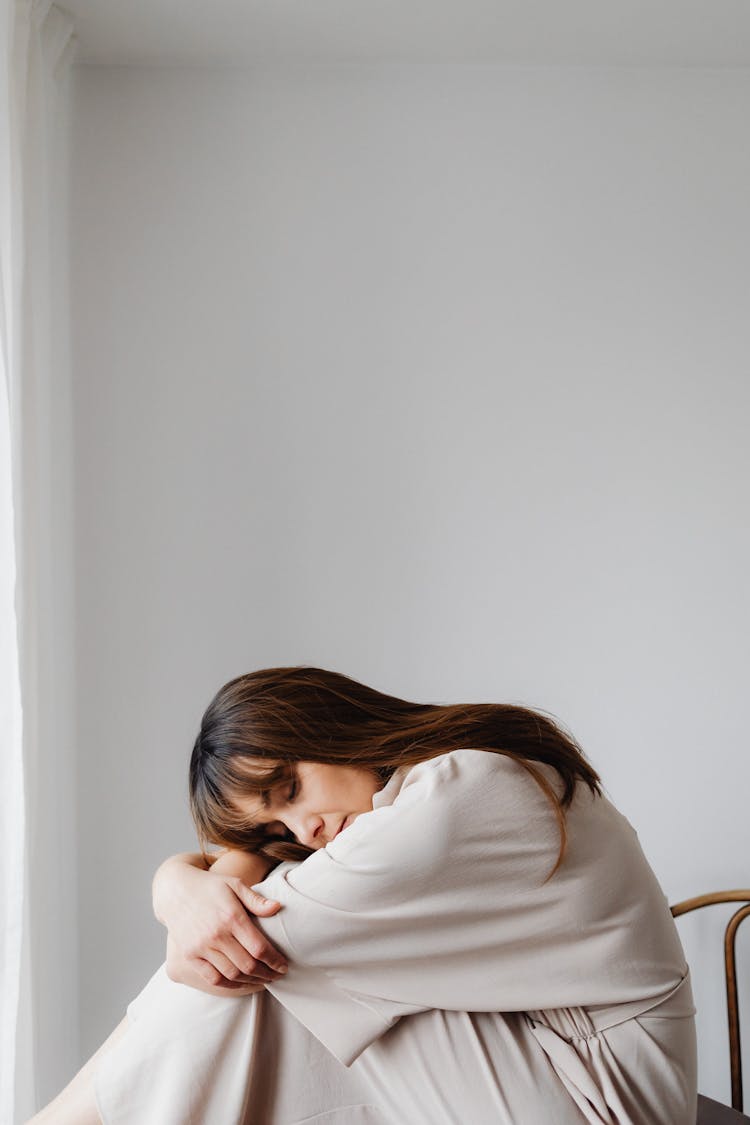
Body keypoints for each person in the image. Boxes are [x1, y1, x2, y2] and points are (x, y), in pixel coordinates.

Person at [29, 666, 698, 1125]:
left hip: (604, 1098)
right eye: (275, 828)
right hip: (564, 1061)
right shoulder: (440, 781)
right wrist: (177, 884)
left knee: (261, 964)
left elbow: (215, 950)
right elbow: (226, 919)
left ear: (323, 722)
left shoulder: (457, 797)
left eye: (289, 789)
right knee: (266, 963)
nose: (304, 829)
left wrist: (181, 889)